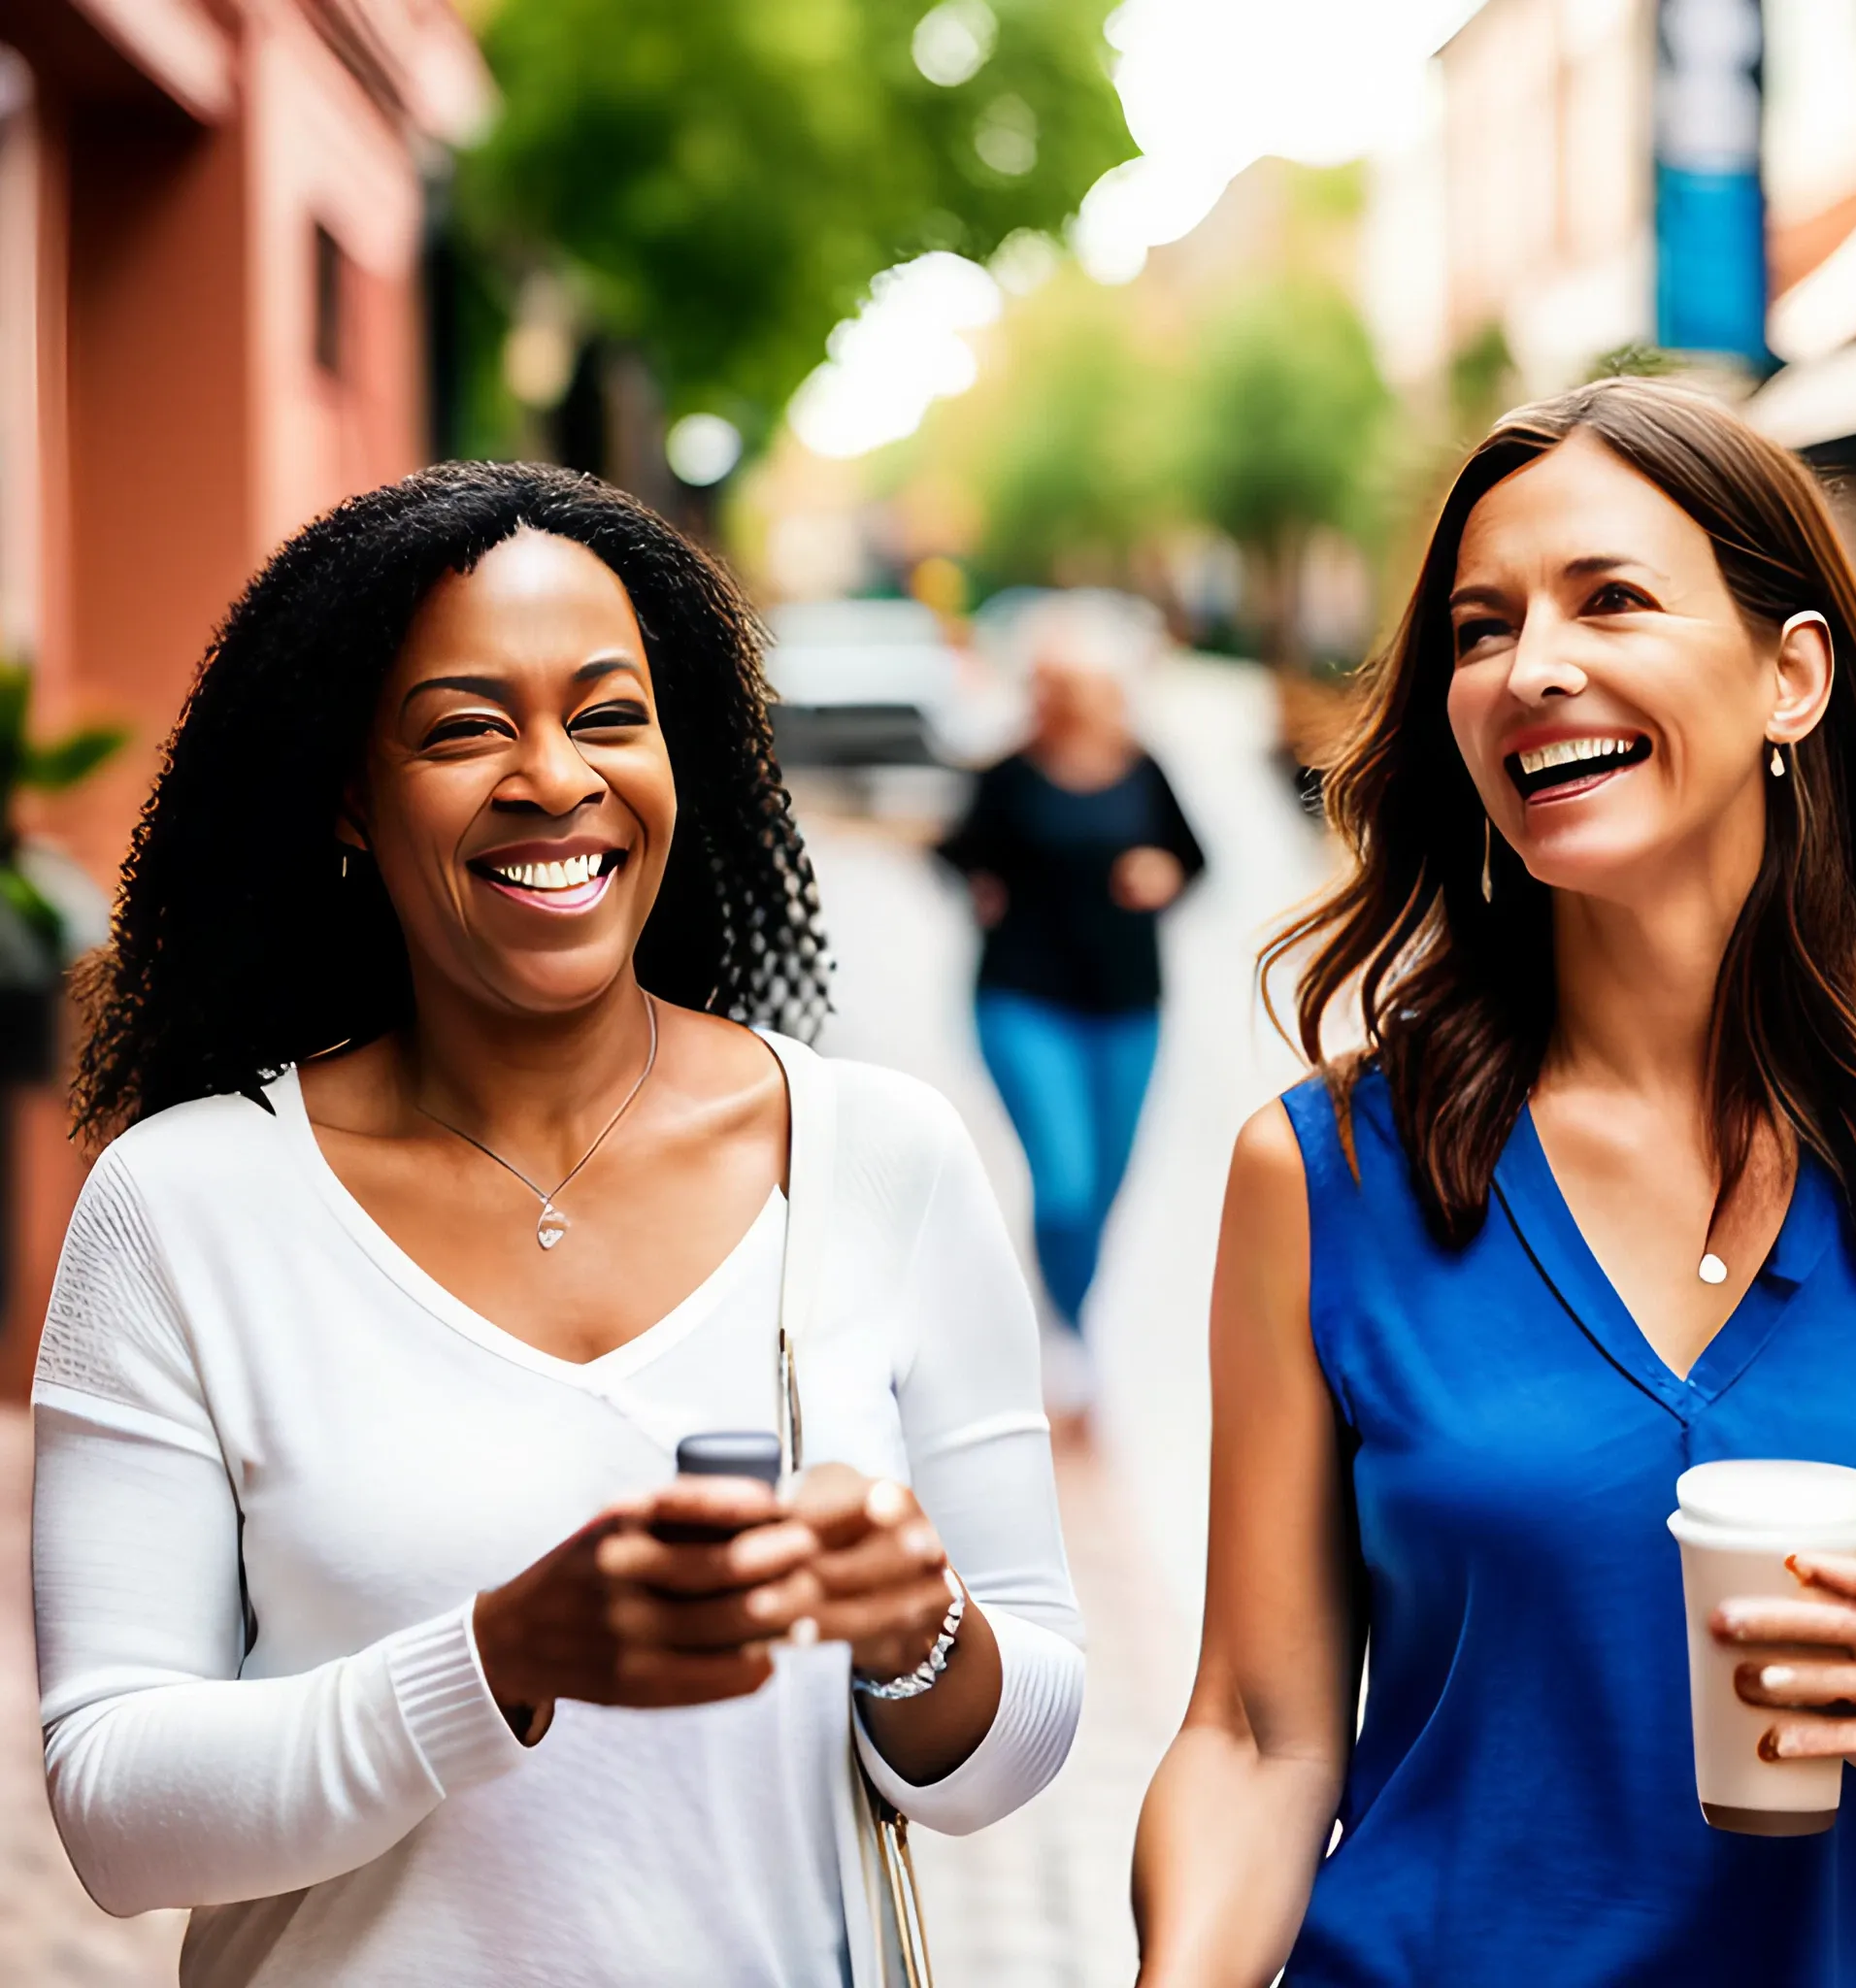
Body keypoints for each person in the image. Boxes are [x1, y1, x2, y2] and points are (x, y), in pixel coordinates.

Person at [31, 463, 1083, 1987]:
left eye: (607, 716)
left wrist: (918, 1627)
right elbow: (118, 1815)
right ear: (348, 793)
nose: (554, 778)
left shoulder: (875, 1162)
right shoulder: (187, 1207)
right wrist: (499, 1661)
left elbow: (1010, 1753)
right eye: (465, 728)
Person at [1132, 378, 1856, 1986]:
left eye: (1609, 599)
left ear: (1788, 674)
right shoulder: (1322, 1176)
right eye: (1477, 626)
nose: (1529, 667)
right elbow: (1255, 1735)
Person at [937, 613, 1205, 1400]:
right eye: (1050, 686)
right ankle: (1066, 1329)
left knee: (1106, 1187)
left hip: (1128, 1007)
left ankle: (1069, 1312)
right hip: (1024, 1001)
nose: (1063, 700)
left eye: (1079, 686)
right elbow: (953, 850)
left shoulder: (1143, 770)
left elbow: (1194, 858)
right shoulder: (1008, 776)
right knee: (1063, 1183)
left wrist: (1164, 873)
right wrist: (979, 886)